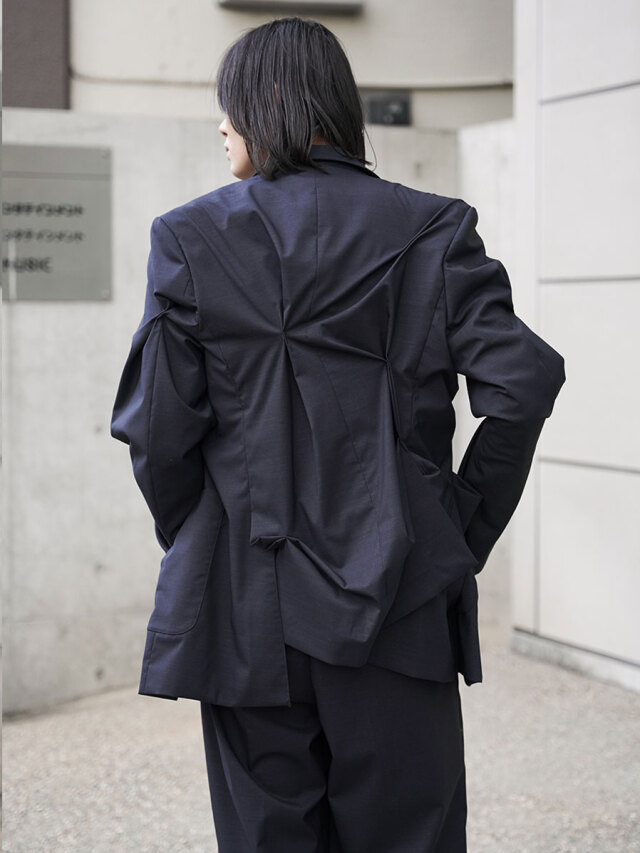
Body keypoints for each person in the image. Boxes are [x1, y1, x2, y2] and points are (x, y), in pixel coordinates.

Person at [111, 16, 565, 852]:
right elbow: (523, 385)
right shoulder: (433, 228)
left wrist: (210, 542)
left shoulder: (188, 237)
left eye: (230, 104)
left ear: (273, 99)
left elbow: (159, 434)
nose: (221, 125)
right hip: (401, 603)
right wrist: (454, 530)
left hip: (248, 614)